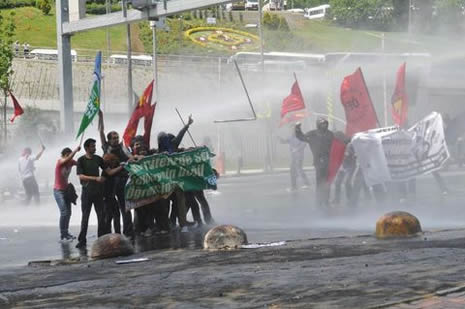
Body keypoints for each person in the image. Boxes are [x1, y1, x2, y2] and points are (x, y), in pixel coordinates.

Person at [75, 138, 124, 249]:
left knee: (101, 216)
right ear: (87, 148)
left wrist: (122, 166)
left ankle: (101, 238)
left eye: (95, 146)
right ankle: (82, 240)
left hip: (98, 192)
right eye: (92, 146)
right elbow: (81, 176)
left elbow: (109, 172)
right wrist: (95, 178)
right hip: (87, 192)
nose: (94, 148)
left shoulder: (98, 159)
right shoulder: (81, 160)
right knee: (85, 216)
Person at [98, 111, 134, 238]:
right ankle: (110, 234)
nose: (116, 140)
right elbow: (101, 131)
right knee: (111, 210)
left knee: (126, 206)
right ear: (109, 140)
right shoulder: (106, 147)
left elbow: (131, 157)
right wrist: (101, 118)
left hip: (123, 180)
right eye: (113, 138)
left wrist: (135, 158)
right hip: (110, 182)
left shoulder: (122, 148)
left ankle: (128, 232)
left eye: (117, 137)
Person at [158, 116, 194, 233]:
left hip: (177, 180)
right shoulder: (156, 152)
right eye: (162, 139)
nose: (164, 140)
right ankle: (168, 225)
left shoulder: (173, 145)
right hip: (164, 182)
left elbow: (180, 134)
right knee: (165, 205)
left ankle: (182, 224)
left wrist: (187, 125)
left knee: (181, 202)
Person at [295, 118, 334, 208]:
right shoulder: (313, 134)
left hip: (329, 161)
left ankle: (326, 200)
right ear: (318, 125)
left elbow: (336, 144)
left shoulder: (330, 134)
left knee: (327, 182)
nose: (324, 125)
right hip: (318, 162)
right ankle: (319, 200)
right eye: (322, 124)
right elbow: (302, 137)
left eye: (325, 124)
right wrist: (297, 129)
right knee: (320, 182)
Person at [53, 146, 80, 241]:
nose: (70, 158)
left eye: (70, 155)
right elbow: (67, 159)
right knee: (64, 211)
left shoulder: (71, 162)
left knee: (68, 213)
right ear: (64, 155)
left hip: (66, 190)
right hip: (58, 191)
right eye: (68, 155)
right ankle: (63, 234)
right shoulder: (60, 161)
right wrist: (75, 151)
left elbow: (79, 163)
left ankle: (66, 233)